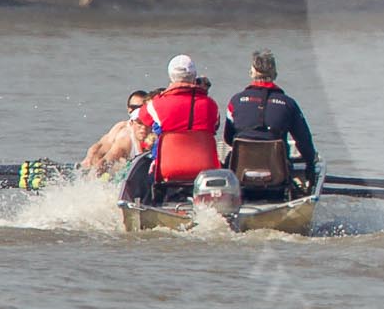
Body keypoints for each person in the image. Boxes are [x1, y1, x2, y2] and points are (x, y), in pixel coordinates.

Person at [125, 55, 223, 199]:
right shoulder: (211, 105)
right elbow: (215, 126)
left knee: (143, 181)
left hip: (168, 170)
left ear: (171, 77)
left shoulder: (156, 104)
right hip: (205, 170)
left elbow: (144, 119)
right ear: (194, 77)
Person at [222, 49, 318, 174]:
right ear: (275, 75)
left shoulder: (235, 101)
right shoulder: (289, 104)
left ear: (251, 72)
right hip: (277, 177)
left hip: (240, 174)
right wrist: (310, 164)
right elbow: (304, 141)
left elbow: (228, 138)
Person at [80, 90, 150, 170]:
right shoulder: (124, 134)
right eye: (134, 107)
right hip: (98, 161)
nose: (138, 110)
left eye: (142, 107)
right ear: (128, 109)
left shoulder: (156, 128)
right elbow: (98, 152)